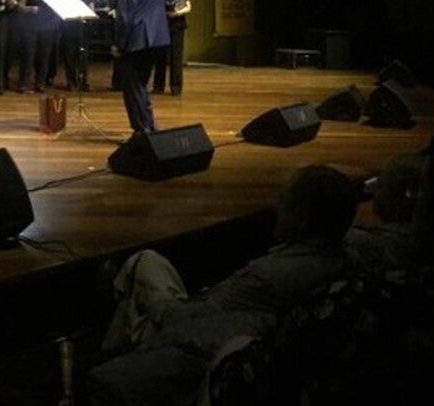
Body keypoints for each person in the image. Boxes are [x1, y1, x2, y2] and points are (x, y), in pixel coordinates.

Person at [87, 165, 360, 405]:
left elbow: (191, 319)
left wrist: (156, 304)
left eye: (284, 201)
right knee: (145, 264)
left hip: (192, 341)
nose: (277, 207)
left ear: (301, 221)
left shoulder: (267, 278)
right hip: (217, 332)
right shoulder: (345, 261)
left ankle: (104, 361)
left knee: (140, 265)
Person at [111, 0, 170, 133]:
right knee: (141, 86)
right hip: (157, 36)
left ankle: (143, 132)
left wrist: (119, 43)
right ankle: (150, 126)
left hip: (137, 38)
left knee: (133, 88)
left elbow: (126, 10)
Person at [152, 0, 190, 96]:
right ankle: (158, 86)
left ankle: (176, 87)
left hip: (176, 25)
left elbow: (188, 7)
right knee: (160, 57)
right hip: (161, 25)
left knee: (176, 57)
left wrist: (175, 13)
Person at [60, 0, 93, 91]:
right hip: (69, 28)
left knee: (83, 56)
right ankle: (71, 82)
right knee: (69, 56)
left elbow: (91, 10)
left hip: (82, 29)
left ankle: (84, 82)